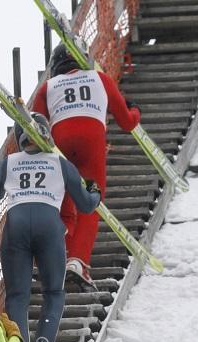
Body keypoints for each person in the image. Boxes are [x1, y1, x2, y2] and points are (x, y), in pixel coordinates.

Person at [0, 112, 101, 342]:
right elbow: (85, 204)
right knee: (53, 290)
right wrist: (95, 193)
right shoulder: (60, 163)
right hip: (49, 225)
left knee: (17, 295)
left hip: (16, 225)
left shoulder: (10, 161)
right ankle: (45, 340)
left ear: (19, 137)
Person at [32, 42, 141, 289]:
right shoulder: (100, 78)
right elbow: (126, 122)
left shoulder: (48, 87)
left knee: (63, 204)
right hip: (92, 138)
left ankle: (51, 258)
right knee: (90, 203)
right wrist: (135, 110)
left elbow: (35, 125)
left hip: (60, 141)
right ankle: (78, 261)